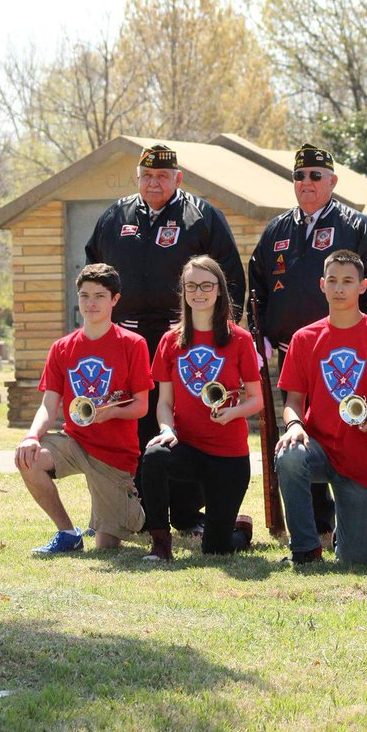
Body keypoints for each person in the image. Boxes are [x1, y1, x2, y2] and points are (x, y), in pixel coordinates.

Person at [85, 143, 246, 533]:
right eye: (146, 176)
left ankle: (188, 515)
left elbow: (231, 277)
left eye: (162, 176)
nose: (153, 182)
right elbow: (94, 275)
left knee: (183, 421)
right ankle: (134, 514)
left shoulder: (203, 216)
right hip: (127, 340)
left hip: (186, 338)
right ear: (136, 178)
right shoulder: (114, 216)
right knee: (130, 422)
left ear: (178, 178)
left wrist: (223, 336)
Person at [249, 144, 367, 545]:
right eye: (299, 176)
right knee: (298, 435)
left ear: (332, 181)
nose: (306, 183)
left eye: (316, 176)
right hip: (291, 352)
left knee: (346, 430)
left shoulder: (356, 226)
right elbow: (257, 287)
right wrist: (257, 337)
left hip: (347, 356)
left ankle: (350, 515)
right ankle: (315, 527)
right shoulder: (277, 230)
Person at [274, 250, 367, 565]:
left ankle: (347, 534)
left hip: (360, 456)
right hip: (317, 447)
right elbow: (293, 402)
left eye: (347, 281)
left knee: (353, 560)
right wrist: (294, 426)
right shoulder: (304, 338)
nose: (339, 288)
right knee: (289, 455)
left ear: (362, 286)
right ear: (322, 285)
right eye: (332, 280)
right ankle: (306, 550)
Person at [14, 264, 151, 554]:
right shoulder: (62, 347)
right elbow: (48, 406)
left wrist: (111, 412)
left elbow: (141, 406)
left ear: (115, 300)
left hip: (115, 454)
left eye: (99, 296)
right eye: (84, 295)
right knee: (28, 458)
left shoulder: (133, 344)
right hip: (75, 441)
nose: (90, 303)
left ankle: (127, 513)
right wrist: (31, 436)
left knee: (106, 546)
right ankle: (67, 533)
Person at [139, 256, 264, 561]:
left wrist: (233, 413)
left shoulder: (240, 339)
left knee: (216, 549)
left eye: (206, 285)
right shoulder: (170, 341)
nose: (199, 292)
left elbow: (256, 399)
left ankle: (239, 529)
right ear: (183, 290)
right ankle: (160, 544)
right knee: (154, 455)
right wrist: (167, 429)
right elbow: (164, 403)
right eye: (191, 285)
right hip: (189, 449)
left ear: (219, 290)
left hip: (228, 457)